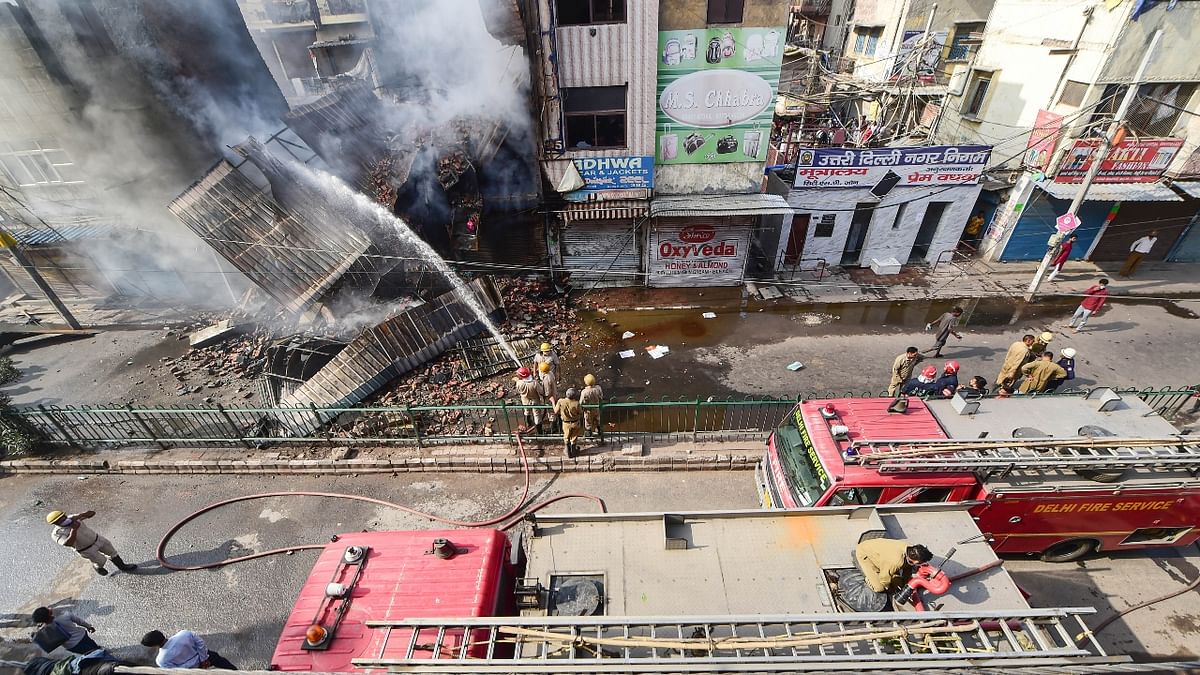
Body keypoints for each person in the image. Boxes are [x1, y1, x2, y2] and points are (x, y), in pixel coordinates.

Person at [46, 510, 136, 576]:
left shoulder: (72, 518)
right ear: (55, 523)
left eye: (64, 517)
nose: (64, 519)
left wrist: (82, 515)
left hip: (97, 539)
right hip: (86, 549)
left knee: (112, 552)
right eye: (60, 520)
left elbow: (92, 513)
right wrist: (74, 530)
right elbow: (68, 543)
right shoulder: (56, 534)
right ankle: (97, 567)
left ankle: (123, 566)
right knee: (101, 561)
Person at [854, 538, 934, 593]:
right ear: (915, 560)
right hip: (864, 553)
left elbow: (908, 568)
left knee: (897, 579)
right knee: (879, 588)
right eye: (920, 562)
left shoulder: (910, 550)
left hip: (877, 551)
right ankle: (867, 577)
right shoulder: (896, 562)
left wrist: (906, 583)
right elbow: (884, 578)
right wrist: (888, 588)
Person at [141, 630, 237, 670]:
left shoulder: (161, 660)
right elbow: (200, 644)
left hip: (195, 669)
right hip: (207, 657)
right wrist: (203, 659)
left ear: (153, 645)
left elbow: (177, 671)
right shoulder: (184, 634)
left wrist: (197, 665)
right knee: (225, 664)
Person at [30, 607, 101, 656]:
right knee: (93, 647)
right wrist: (89, 626)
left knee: (88, 652)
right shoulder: (65, 615)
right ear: (50, 612)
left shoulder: (45, 629)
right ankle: (101, 653)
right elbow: (80, 621)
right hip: (82, 636)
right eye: (48, 609)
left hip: (71, 646)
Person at [553, 388, 583, 458]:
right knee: (574, 437)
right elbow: (580, 413)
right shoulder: (577, 403)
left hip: (566, 423)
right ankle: (573, 451)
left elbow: (555, 411)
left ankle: (567, 451)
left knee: (566, 436)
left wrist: (552, 402)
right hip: (575, 422)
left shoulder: (561, 401)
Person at [580, 373, 604, 438]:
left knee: (588, 421)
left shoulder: (584, 392)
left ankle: (588, 432)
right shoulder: (598, 388)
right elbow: (601, 396)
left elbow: (581, 401)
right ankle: (599, 430)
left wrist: (581, 407)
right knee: (597, 419)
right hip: (596, 407)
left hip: (588, 409)